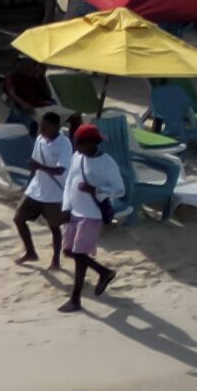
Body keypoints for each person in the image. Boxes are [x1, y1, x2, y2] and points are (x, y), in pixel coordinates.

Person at [60, 124, 121, 312]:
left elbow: (119, 189)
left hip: (92, 215)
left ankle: (75, 299)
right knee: (69, 251)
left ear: (92, 143)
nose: (76, 147)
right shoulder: (77, 157)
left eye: (79, 144)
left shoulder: (107, 162)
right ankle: (104, 272)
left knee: (80, 255)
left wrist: (96, 190)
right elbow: (70, 181)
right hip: (75, 213)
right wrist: (66, 207)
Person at [15, 104, 72, 269]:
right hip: (36, 189)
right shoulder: (40, 140)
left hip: (54, 193)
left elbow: (61, 170)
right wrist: (32, 175)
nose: (42, 129)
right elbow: (35, 162)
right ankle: (30, 252)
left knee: (54, 227)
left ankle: (55, 260)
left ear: (56, 127)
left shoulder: (64, 144)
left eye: (45, 126)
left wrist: (39, 167)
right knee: (18, 218)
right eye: (41, 125)